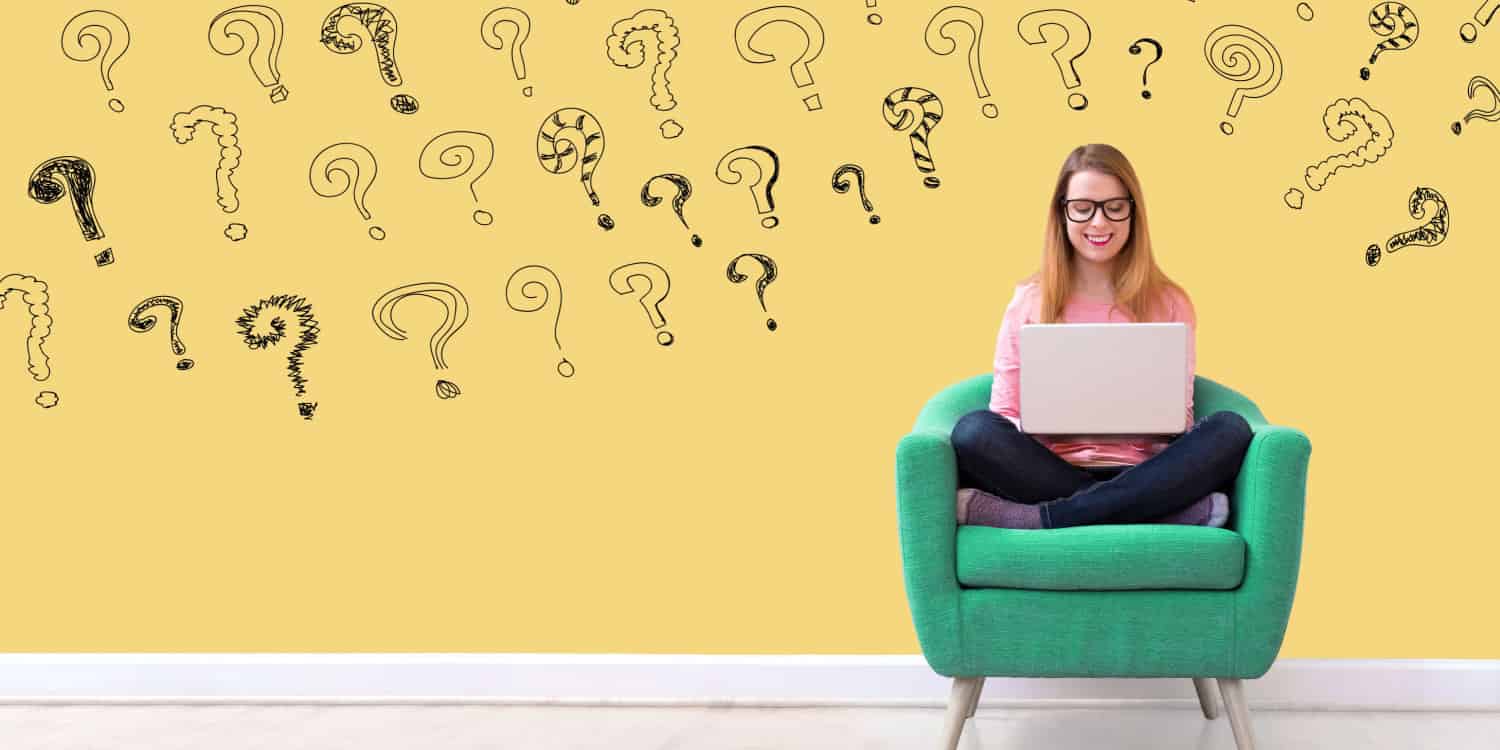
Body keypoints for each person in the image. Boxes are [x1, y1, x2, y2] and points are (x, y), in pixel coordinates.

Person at [949, 144, 1253, 530]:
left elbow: (1181, 416)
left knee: (1230, 429)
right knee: (974, 431)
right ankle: (1162, 515)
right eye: (1083, 207)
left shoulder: (1171, 301)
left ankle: (1043, 518)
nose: (1098, 223)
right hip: (1046, 472)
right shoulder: (1029, 300)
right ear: (1062, 212)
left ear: (1133, 212)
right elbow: (1004, 413)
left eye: (1114, 207)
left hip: (1149, 471)